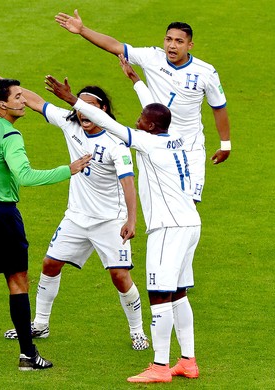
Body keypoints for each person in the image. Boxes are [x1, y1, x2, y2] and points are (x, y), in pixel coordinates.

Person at [0, 62, 149, 351]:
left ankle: (137, 331)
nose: (83, 112)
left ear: (103, 110)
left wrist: (131, 219)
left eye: (89, 106)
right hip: (77, 217)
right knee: (50, 264)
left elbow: (128, 181)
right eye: (80, 106)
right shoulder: (71, 124)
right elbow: (36, 101)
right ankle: (40, 324)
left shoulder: (116, 142)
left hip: (109, 220)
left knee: (120, 276)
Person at [46, 75, 201, 383]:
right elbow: (155, 111)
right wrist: (137, 82)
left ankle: (159, 367)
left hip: (167, 228)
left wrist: (72, 100)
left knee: (160, 296)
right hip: (190, 224)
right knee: (180, 295)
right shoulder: (177, 136)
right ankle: (187, 361)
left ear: (151, 127)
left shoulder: (146, 141)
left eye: (141, 121)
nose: (136, 122)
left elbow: (109, 124)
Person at [0, 77, 92, 371]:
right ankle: (28, 356)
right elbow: (26, 176)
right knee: (17, 282)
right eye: (18, 97)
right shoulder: (11, 136)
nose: (23, 101)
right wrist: (68, 169)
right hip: (2, 215)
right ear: (3, 104)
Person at [55, 11, 231, 202]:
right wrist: (82, 30)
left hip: (190, 148)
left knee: (188, 203)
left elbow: (218, 107)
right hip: (153, 145)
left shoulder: (205, 72)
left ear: (190, 45)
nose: (172, 45)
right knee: (158, 202)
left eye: (179, 41)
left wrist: (225, 144)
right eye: (168, 39)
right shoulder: (152, 57)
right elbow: (115, 46)